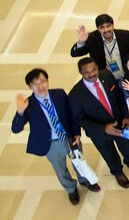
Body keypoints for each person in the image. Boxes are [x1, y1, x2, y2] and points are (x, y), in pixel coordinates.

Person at [12, 68, 100, 205]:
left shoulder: (59, 94)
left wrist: (76, 133)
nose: (41, 86)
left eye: (43, 81)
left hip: (69, 137)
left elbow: (72, 115)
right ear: (30, 86)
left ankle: (84, 179)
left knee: (79, 161)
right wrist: (20, 112)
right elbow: (16, 129)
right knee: (60, 168)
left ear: (48, 81)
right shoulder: (28, 105)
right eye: (36, 84)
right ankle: (71, 189)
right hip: (51, 143)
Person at [68, 57, 129, 188]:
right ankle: (118, 172)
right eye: (87, 72)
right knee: (109, 153)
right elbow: (80, 119)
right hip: (99, 133)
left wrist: (126, 116)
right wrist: (103, 128)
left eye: (94, 69)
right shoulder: (75, 94)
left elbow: (119, 96)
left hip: (119, 123)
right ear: (80, 72)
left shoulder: (106, 75)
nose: (92, 74)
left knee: (126, 146)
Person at [70, 14, 129, 80]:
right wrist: (81, 42)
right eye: (102, 27)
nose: (106, 30)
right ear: (98, 28)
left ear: (113, 25)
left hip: (128, 76)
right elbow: (74, 53)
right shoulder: (92, 39)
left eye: (108, 26)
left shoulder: (126, 35)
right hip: (107, 80)